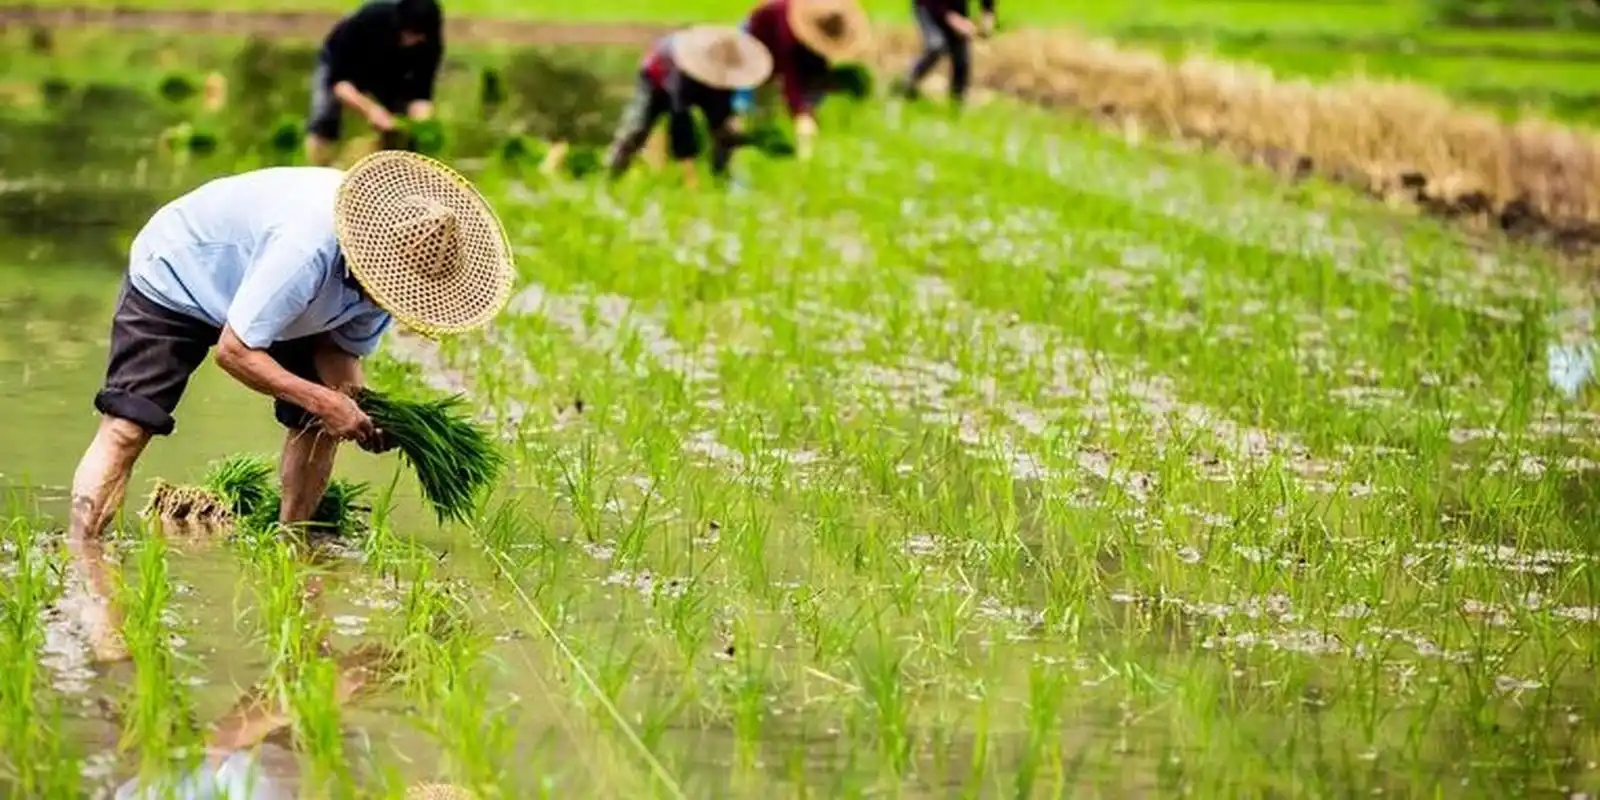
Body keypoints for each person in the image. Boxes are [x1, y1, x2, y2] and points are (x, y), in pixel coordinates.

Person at [63, 151, 515, 663]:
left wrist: (360, 411)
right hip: (181, 275)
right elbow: (236, 352)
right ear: (367, 253)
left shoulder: (388, 285)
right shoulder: (307, 246)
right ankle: (84, 567)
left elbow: (338, 354)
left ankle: (292, 550)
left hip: (285, 305)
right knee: (128, 427)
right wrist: (323, 400)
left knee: (320, 424)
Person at [605, 25, 773, 187]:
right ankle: (611, 175)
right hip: (657, 79)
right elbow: (679, 118)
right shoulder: (682, 72)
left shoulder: (726, 77)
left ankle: (721, 178)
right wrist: (689, 175)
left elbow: (722, 112)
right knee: (638, 128)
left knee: (724, 132)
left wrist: (728, 127)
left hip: (700, 84)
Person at [305, 0, 444, 166]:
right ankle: (317, 168)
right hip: (346, 64)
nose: (412, 41)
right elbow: (340, 85)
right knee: (325, 119)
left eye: (418, 37)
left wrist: (421, 125)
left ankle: (387, 176)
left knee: (401, 135)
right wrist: (371, 110)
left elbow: (421, 93)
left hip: (392, 69)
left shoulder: (430, 42)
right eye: (409, 35)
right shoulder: (369, 21)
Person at [733, 0, 869, 160]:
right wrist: (801, 112)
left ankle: (767, 134)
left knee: (774, 107)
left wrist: (808, 110)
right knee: (748, 103)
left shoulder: (819, 26)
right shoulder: (787, 26)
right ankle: (744, 141)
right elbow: (789, 73)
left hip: (785, 48)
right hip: (755, 40)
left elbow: (815, 65)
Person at [897, 0, 979, 106]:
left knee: (961, 59)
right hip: (929, 7)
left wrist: (988, 13)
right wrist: (952, 18)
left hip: (956, 9)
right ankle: (908, 83)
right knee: (935, 46)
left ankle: (957, 103)